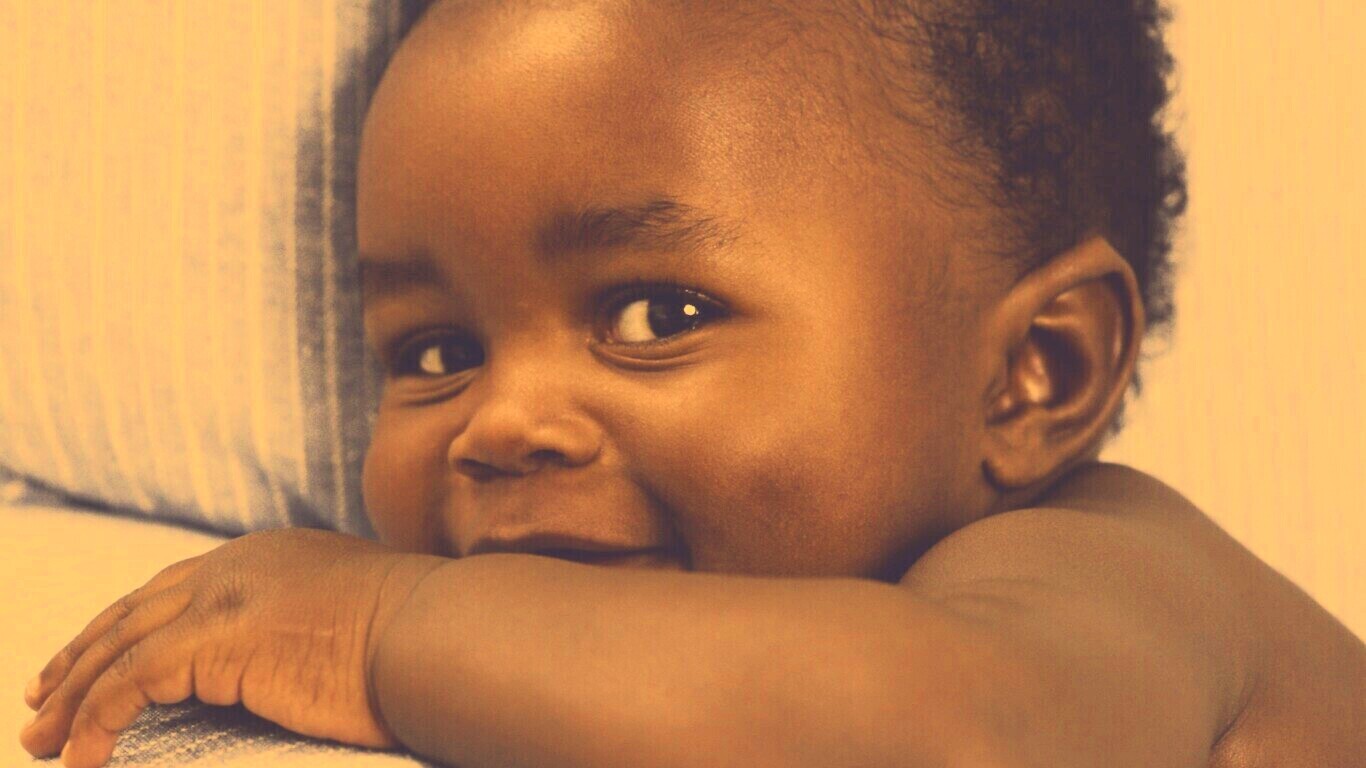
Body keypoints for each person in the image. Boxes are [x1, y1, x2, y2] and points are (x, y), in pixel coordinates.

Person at [21, 1, 1365, 766]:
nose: (503, 421)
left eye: (656, 315)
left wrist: (377, 630)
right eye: (435, 354)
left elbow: (958, 733)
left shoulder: (1107, 567)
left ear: (1034, 374)